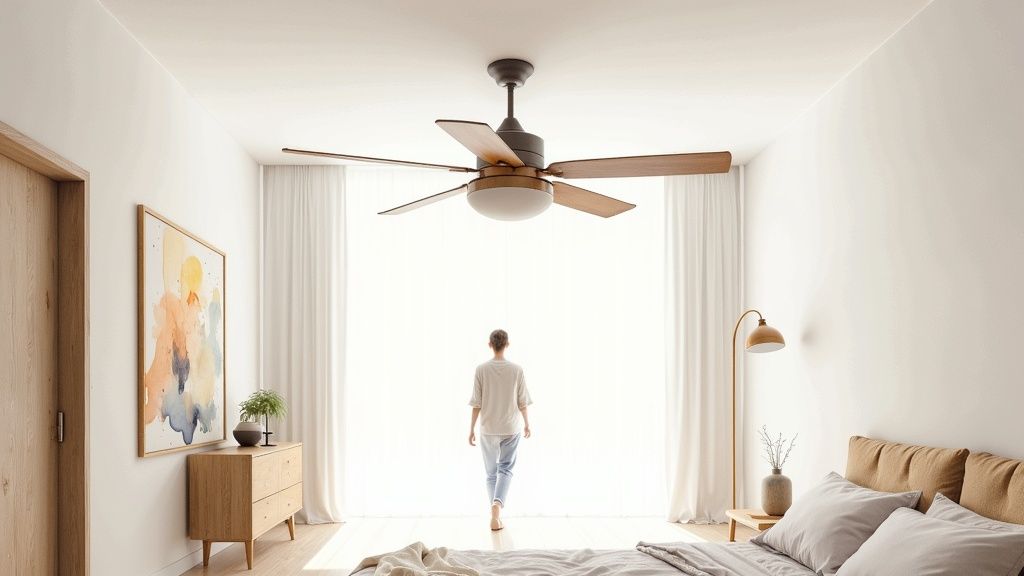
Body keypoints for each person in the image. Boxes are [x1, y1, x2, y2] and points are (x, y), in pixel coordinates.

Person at [468, 329, 532, 531]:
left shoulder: (481, 370)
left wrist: (471, 429)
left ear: (490, 344)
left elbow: (476, 403)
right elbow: (522, 401)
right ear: (507, 344)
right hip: (510, 428)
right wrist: (527, 423)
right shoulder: (517, 370)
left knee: (491, 473)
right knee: (505, 469)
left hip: (487, 428)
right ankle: (497, 506)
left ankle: (494, 512)